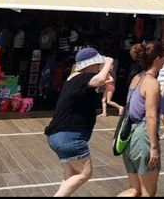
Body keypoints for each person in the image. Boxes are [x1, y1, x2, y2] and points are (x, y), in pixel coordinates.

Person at [44, 48, 114, 197]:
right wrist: (108, 62)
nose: (99, 67)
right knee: (85, 173)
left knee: (70, 175)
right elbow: (100, 79)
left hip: (57, 135)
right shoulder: (83, 77)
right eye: (98, 64)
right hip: (70, 136)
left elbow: (101, 81)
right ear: (91, 64)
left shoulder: (74, 78)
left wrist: (105, 73)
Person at [118, 40, 164, 198]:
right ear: (158, 59)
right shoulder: (152, 83)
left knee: (134, 190)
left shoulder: (137, 78)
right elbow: (150, 116)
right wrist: (154, 147)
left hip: (129, 136)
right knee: (148, 193)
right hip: (142, 136)